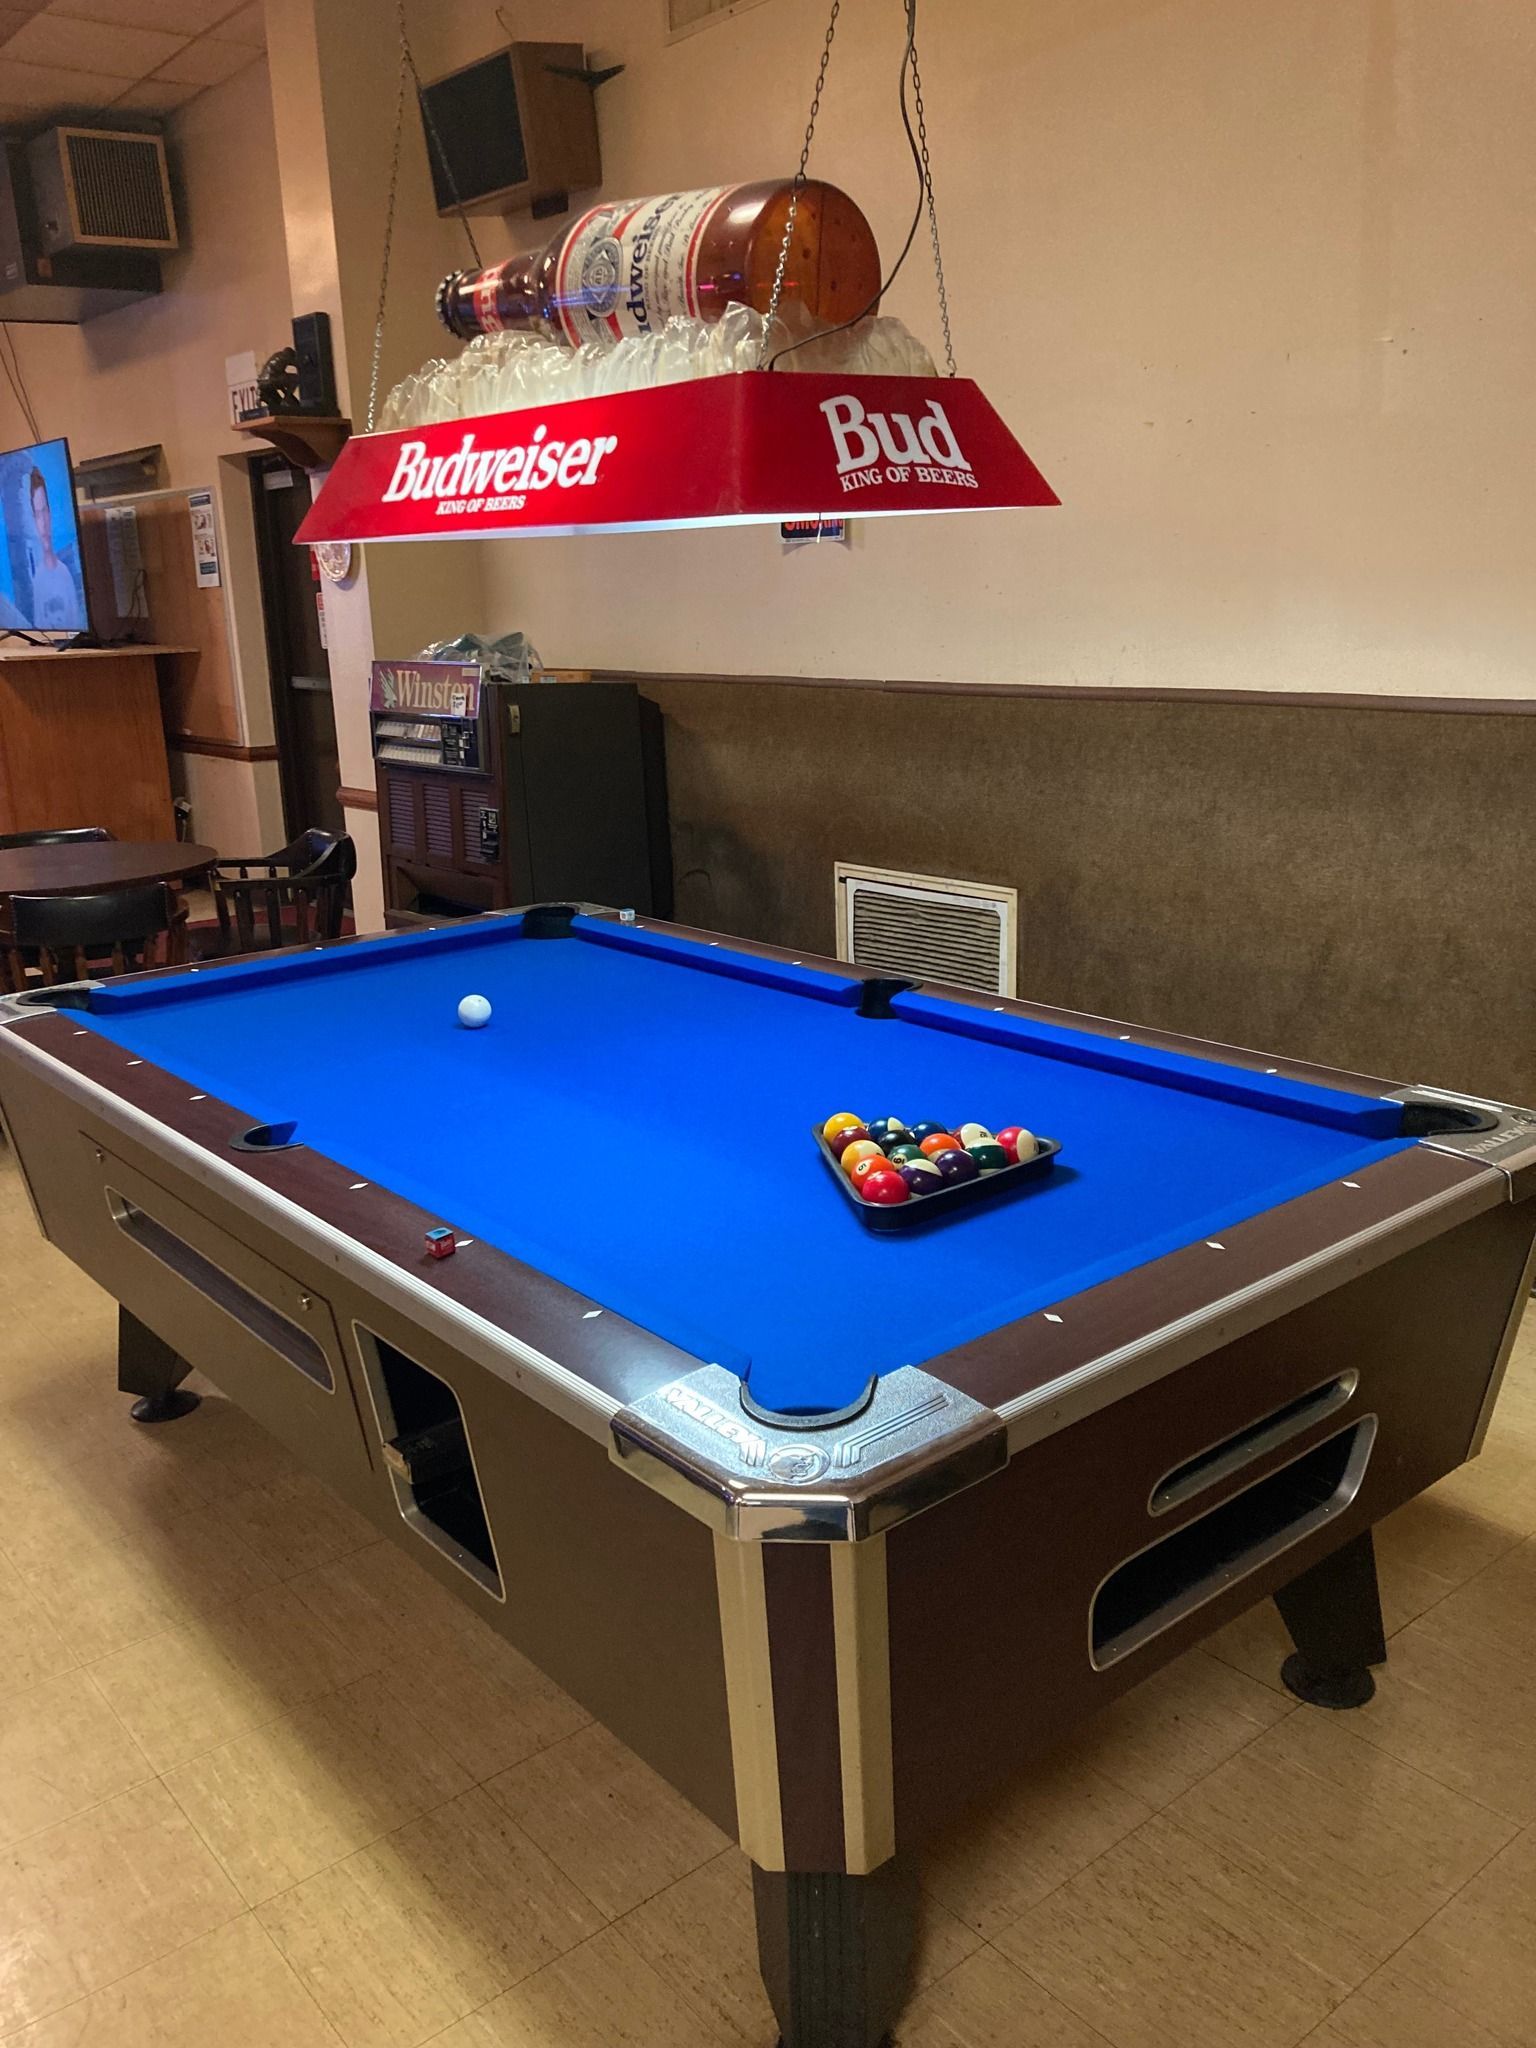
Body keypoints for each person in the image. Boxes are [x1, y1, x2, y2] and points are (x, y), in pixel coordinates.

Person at [26, 466, 84, 631]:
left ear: (50, 514)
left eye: (44, 511)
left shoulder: (65, 575)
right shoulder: (37, 579)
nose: (43, 523)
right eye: (37, 514)